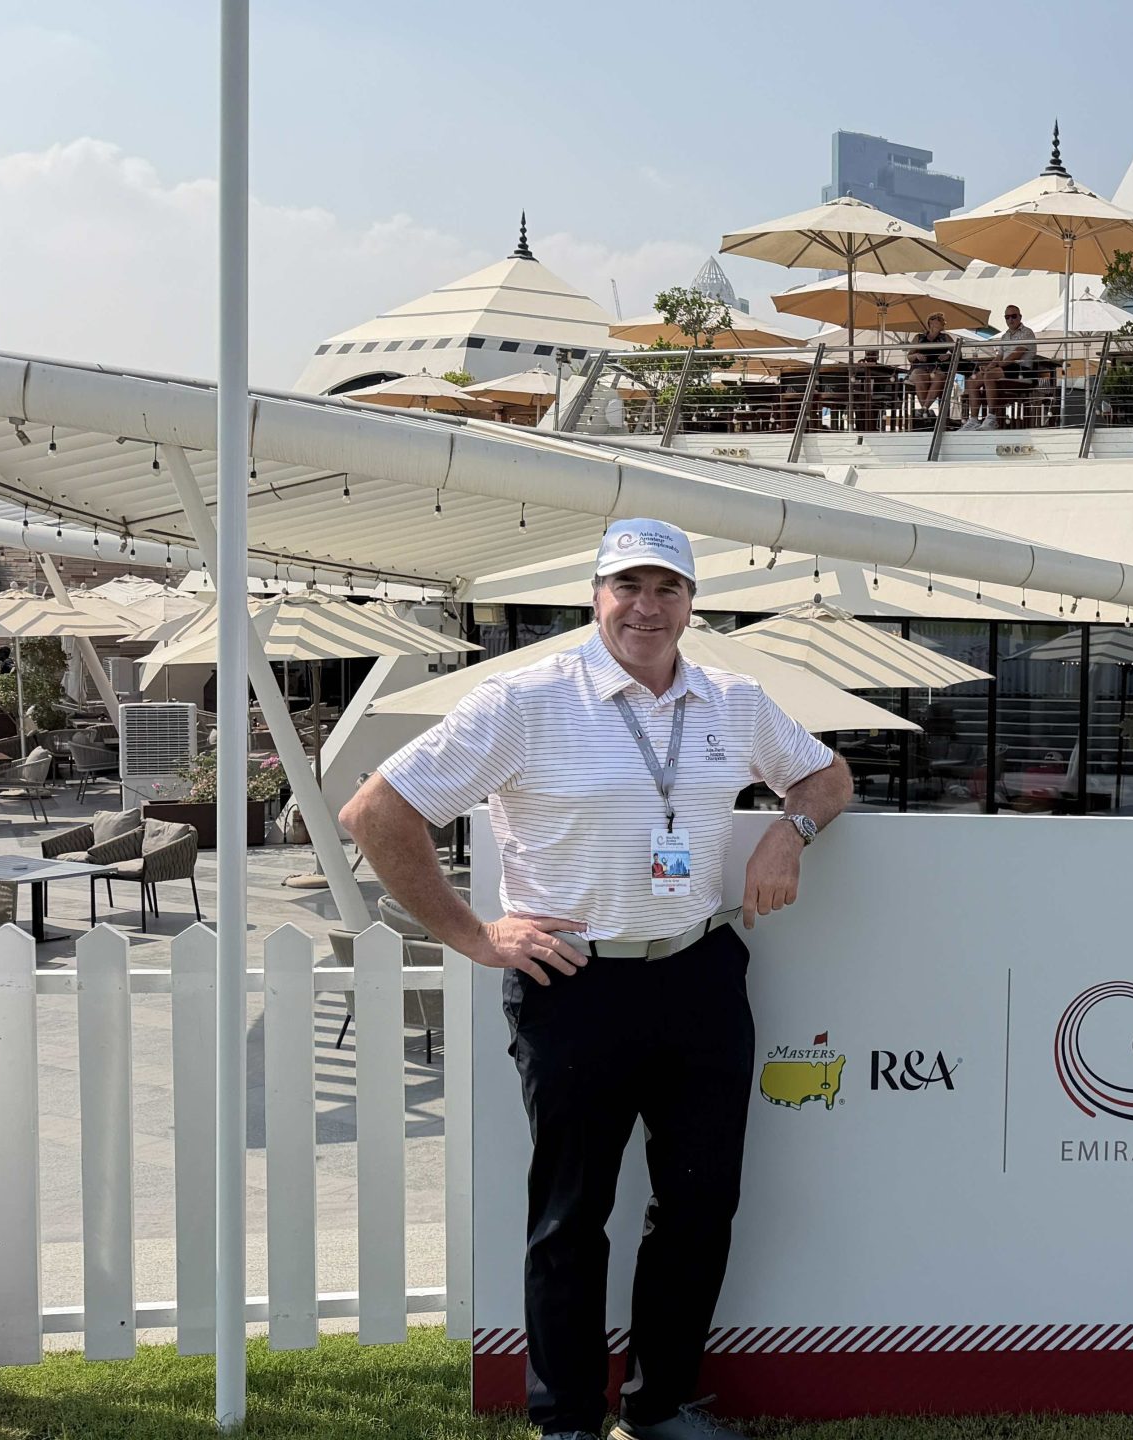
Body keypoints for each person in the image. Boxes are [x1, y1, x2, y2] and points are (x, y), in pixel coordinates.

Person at [340, 518, 851, 1440]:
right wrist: (473, 935)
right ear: (596, 597)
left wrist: (789, 830)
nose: (646, 608)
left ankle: (659, 1408)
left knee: (698, 1205)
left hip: (698, 973)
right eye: (628, 587)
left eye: (667, 589)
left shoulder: (734, 701)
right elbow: (377, 811)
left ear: (693, 604)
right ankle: (568, 1418)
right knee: (572, 1216)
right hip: (574, 982)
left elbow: (825, 776)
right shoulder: (525, 701)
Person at [962, 305, 1036, 430]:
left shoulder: (1027, 332)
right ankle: (973, 419)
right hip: (1006, 369)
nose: (1010, 320)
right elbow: (999, 356)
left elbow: (1016, 354)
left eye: (1013, 316)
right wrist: (988, 366)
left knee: (989, 375)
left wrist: (995, 366)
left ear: (1020, 317)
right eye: (1007, 317)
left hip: (1021, 370)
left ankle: (991, 417)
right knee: (972, 381)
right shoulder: (1005, 336)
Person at [905, 311, 954, 425]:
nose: (938, 321)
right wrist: (916, 355)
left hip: (937, 367)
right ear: (930, 322)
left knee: (939, 377)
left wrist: (948, 355)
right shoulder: (919, 337)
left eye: (940, 320)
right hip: (920, 367)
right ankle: (926, 410)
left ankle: (924, 410)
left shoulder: (946, 338)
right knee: (918, 375)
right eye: (935, 319)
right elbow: (909, 357)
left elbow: (958, 354)